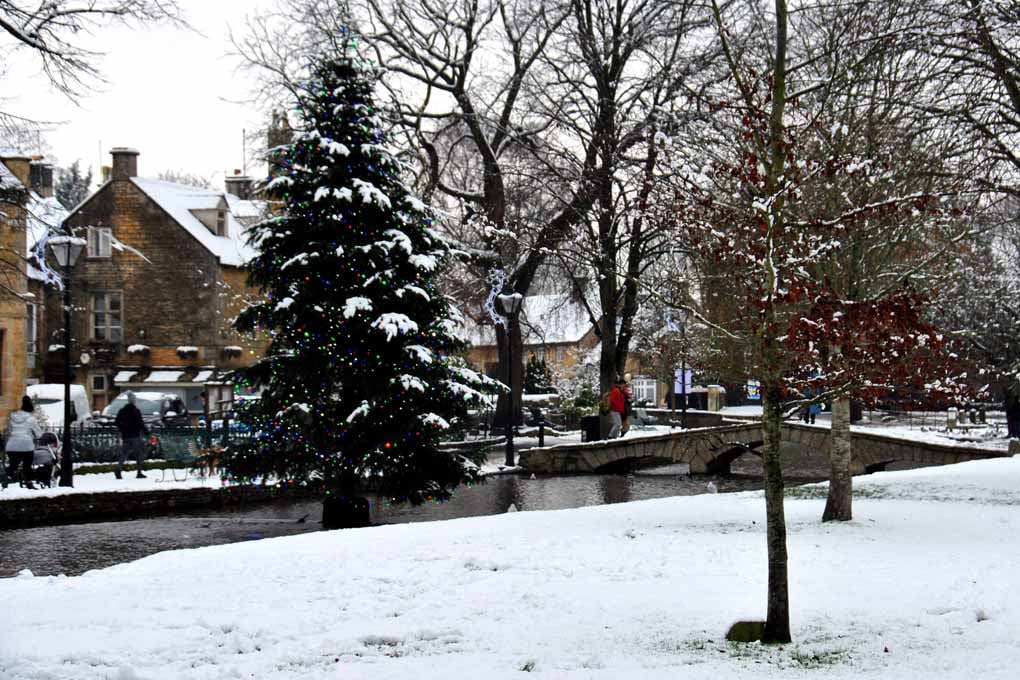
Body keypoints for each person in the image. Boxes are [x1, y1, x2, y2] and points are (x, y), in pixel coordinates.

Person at [5, 396, 42, 489]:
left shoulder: (10, 417)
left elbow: (7, 430)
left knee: (13, 464)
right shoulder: (31, 418)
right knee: (27, 465)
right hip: (26, 445)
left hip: (12, 445)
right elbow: (39, 434)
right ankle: (29, 482)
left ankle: (7, 475)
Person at [115, 391, 150, 480]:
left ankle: (118, 469)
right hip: (135, 436)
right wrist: (146, 432)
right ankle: (139, 472)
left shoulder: (122, 411)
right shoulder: (136, 411)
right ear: (133, 401)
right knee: (139, 454)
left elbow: (117, 422)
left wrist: (122, 429)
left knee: (124, 454)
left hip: (125, 436)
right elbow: (140, 423)